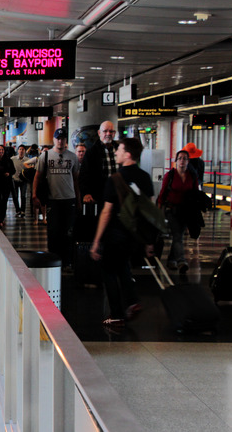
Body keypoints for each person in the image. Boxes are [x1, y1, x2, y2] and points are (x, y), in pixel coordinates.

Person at [90, 137, 154, 326]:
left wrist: (96, 240)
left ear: (127, 154)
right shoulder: (145, 177)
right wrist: (149, 240)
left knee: (108, 271)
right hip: (134, 235)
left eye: (119, 150)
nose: (116, 152)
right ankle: (132, 301)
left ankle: (117, 314)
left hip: (116, 233)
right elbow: (150, 210)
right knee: (123, 266)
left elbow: (106, 212)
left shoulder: (115, 179)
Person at [33, 128, 80, 268]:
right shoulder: (45, 156)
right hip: (53, 199)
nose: (60, 141)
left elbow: (76, 180)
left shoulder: (73, 157)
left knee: (68, 232)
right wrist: (34, 195)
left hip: (69, 198)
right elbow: (37, 177)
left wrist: (78, 199)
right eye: (58, 138)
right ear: (54, 139)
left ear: (66, 140)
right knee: (53, 231)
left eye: (63, 138)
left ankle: (67, 261)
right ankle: (54, 259)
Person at [157, 149, 200, 273]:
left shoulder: (192, 176)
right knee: (177, 235)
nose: (182, 161)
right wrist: (159, 211)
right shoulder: (170, 175)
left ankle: (171, 260)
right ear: (176, 161)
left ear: (188, 161)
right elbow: (162, 193)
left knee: (178, 236)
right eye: (180, 158)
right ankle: (181, 261)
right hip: (171, 210)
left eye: (185, 158)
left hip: (186, 211)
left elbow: (196, 194)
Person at [80, 120, 118, 211]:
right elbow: (84, 174)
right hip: (100, 195)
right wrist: (86, 193)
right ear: (99, 133)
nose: (108, 134)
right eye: (105, 131)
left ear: (114, 133)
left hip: (118, 194)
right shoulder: (91, 152)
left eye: (111, 131)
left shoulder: (119, 149)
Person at [10, 145, 30, 218]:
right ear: (18, 150)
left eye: (23, 149)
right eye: (20, 149)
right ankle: (17, 210)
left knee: (23, 195)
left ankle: (23, 211)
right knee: (15, 196)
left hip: (23, 180)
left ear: (25, 151)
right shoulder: (13, 159)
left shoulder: (28, 160)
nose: (21, 151)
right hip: (15, 179)